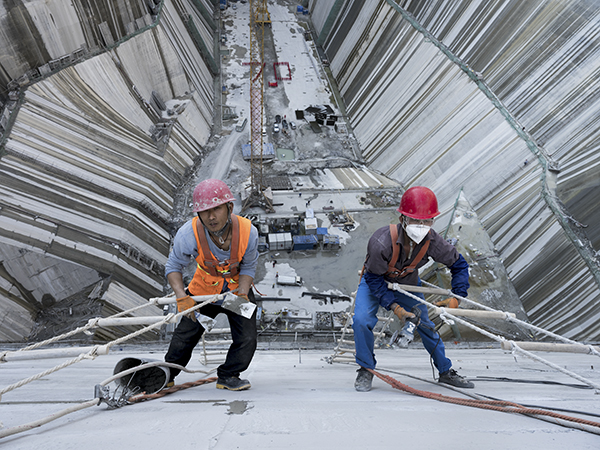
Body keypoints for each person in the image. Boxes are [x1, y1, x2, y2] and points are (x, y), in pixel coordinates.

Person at [352, 186, 473, 391]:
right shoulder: (381, 242)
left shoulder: (433, 242)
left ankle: (445, 371)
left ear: (433, 221)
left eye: (427, 221)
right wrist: (396, 308)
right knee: (361, 321)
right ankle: (366, 369)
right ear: (403, 219)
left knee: (426, 325)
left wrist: (457, 296)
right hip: (376, 281)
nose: (421, 225)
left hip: (407, 283)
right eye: (416, 220)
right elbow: (373, 279)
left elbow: (459, 265)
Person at [164, 179, 259, 391]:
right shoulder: (188, 235)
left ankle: (228, 375)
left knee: (247, 336)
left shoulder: (248, 231)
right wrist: (181, 296)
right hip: (203, 289)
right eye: (205, 211)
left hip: (235, 291)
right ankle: (166, 374)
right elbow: (173, 266)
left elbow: (249, 266)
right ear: (198, 214)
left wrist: (243, 292)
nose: (211, 216)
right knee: (186, 335)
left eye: (216, 208)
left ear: (229, 207)